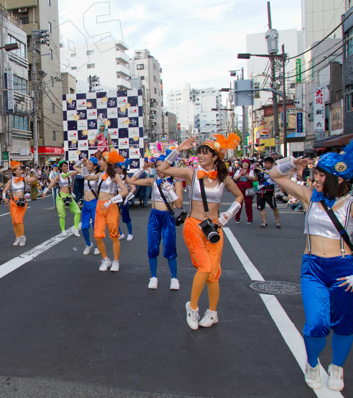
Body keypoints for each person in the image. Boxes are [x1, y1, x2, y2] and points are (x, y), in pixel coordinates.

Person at [267, 131, 353, 391]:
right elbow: (275, 175)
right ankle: (312, 364)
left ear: (337, 179)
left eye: (322, 176)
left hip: (344, 269)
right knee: (316, 323)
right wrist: (294, 163)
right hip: (312, 267)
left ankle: (337, 367)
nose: (315, 179)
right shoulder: (308, 197)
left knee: (344, 324)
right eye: (316, 174)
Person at [157, 134, 243, 330]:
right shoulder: (192, 173)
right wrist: (178, 149)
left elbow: (239, 196)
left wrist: (228, 214)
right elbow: (162, 169)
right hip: (193, 227)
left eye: (205, 153)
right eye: (199, 152)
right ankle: (192, 308)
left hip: (214, 229)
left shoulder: (224, 178)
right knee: (204, 267)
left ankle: (212, 313)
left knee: (213, 274)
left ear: (215, 157)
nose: (201, 156)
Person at [129, 156, 182, 290]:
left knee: (170, 247)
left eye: (161, 166)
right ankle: (153, 277)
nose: (158, 169)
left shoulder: (176, 182)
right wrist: (143, 169)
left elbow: (179, 204)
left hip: (168, 216)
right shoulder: (153, 181)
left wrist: (170, 190)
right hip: (154, 216)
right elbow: (131, 180)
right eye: (157, 166)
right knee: (152, 247)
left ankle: (174, 278)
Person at [85, 151, 129, 272]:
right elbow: (87, 177)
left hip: (111, 207)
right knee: (97, 236)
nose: (98, 161)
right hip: (99, 206)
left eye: (100, 160)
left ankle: (116, 261)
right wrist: (84, 166)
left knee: (114, 235)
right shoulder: (99, 175)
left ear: (106, 162)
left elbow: (125, 191)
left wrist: (111, 201)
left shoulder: (115, 176)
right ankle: (105, 259)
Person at [2, 161, 39, 247]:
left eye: (21, 170)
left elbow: (36, 177)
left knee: (18, 219)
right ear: (14, 171)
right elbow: (5, 190)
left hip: (22, 202)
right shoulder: (10, 181)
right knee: (14, 221)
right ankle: (17, 237)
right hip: (13, 202)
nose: (21, 171)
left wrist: (33, 171)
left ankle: (22, 237)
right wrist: (4, 197)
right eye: (19, 170)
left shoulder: (24, 179)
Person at [46, 160, 81, 238]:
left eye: (67, 166)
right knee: (62, 215)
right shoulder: (58, 176)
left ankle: (75, 229)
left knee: (78, 212)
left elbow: (80, 171)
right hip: (61, 197)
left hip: (69, 196)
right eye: (64, 166)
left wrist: (79, 163)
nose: (66, 167)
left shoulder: (70, 174)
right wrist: (45, 191)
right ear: (61, 168)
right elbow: (52, 183)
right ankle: (63, 230)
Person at [78, 156, 100, 256]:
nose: (88, 165)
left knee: (96, 227)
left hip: (95, 203)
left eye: (90, 164)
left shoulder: (98, 174)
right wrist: (81, 162)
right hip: (86, 204)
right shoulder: (86, 172)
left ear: (95, 166)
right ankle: (88, 244)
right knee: (84, 227)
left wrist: (83, 166)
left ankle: (97, 246)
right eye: (88, 163)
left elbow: (87, 177)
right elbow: (74, 166)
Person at [256, 158, 280, 228]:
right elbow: (257, 179)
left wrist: (262, 170)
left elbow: (272, 174)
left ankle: (278, 221)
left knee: (274, 207)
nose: (266, 164)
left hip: (269, 191)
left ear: (272, 164)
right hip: (260, 191)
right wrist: (256, 172)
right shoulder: (261, 171)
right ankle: (264, 222)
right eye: (265, 163)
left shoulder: (274, 170)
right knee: (261, 208)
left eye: (268, 163)